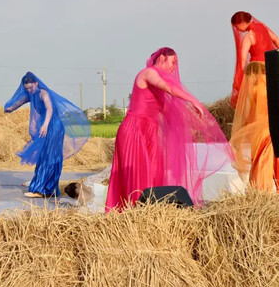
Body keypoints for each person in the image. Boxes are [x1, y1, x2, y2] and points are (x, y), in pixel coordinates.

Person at [105, 47, 232, 211]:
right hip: (135, 130)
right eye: (173, 62)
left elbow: (168, 113)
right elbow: (170, 88)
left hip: (150, 133)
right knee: (139, 173)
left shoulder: (157, 91)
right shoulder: (148, 73)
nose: (174, 67)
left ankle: (149, 214)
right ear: (163, 58)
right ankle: (135, 216)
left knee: (153, 174)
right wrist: (195, 102)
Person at [4, 72, 90, 198]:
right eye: (26, 88)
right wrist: (11, 108)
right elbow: (21, 101)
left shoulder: (43, 93)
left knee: (50, 157)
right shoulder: (31, 94)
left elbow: (49, 109)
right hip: (46, 126)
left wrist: (44, 125)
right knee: (45, 157)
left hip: (53, 126)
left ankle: (42, 190)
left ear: (36, 83)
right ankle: (49, 189)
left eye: (30, 87)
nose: (28, 90)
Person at [229, 11, 279, 191]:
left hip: (258, 77)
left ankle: (261, 183)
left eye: (237, 27)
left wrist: (238, 86)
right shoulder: (264, 28)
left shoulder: (249, 36)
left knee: (259, 121)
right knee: (273, 119)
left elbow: (242, 62)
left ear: (241, 24)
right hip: (273, 72)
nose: (238, 30)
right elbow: (276, 40)